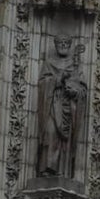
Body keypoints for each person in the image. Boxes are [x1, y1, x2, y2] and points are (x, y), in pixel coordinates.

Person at [36, 36, 88, 178]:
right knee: (50, 132)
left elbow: (83, 90)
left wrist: (75, 92)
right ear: (56, 44)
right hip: (53, 105)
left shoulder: (75, 66)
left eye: (66, 43)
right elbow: (42, 84)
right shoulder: (49, 64)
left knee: (66, 141)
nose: (63, 45)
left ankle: (62, 172)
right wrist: (58, 80)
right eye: (61, 42)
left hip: (69, 108)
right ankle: (47, 168)